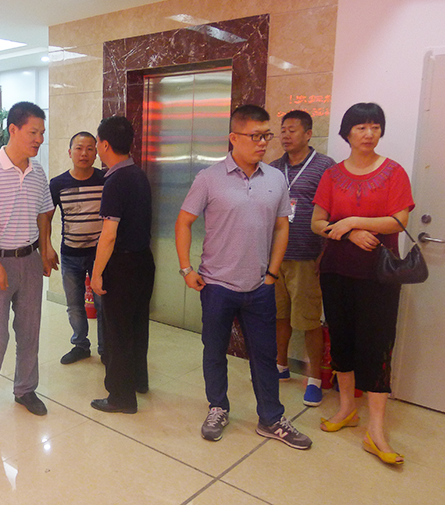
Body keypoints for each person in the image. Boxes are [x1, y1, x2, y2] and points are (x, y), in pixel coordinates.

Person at [174, 104, 312, 449]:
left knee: (265, 355)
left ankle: (271, 418)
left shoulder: (276, 178)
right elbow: (184, 222)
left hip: (259, 286)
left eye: (267, 135)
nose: (263, 143)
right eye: (255, 136)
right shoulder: (209, 178)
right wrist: (186, 268)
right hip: (217, 285)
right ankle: (217, 407)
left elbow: (282, 226)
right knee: (214, 350)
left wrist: (272, 273)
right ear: (234, 138)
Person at [311, 102, 413, 465]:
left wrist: (354, 221)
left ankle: (377, 430)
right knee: (342, 340)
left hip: (379, 276)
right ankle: (346, 409)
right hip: (337, 271)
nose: (369, 134)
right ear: (347, 133)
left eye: (375, 127)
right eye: (361, 127)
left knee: (377, 345)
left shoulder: (393, 172)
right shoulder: (332, 175)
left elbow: (399, 220)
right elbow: (317, 222)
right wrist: (349, 233)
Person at [0, 101, 57, 422]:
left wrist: (46, 248)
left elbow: (44, 214)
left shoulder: (37, 171)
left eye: (42, 133)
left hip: (30, 259)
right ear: (13, 130)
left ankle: (25, 389)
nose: (39, 139)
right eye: (33, 132)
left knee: (29, 330)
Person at [269, 110, 335, 406]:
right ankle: (280, 366)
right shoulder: (273, 168)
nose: (285, 135)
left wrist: (324, 253)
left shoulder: (325, 167)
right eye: (283, 130)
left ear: (308, 134)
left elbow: (334, 211)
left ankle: (314, 379)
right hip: (276, 256)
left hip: (307, 256)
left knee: (308, 321)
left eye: (292, 130)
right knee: (279, 315)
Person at [89, 116, 155, 414]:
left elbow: (109, 235)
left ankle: (120, 396)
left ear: (104, 144)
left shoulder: (115, 181)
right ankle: (138, 380)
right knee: (137, 325)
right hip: (143, 262)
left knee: (117, 332)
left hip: (122, 266)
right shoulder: (138, 175)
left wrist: (97, 273)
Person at [49, 131, 106, 365]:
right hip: (70, 254)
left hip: (100, 256)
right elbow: (45, 218)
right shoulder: (58, 184)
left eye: (90, 148)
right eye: (79, 148)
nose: (84, 153)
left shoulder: (106, 180)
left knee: (103, 306)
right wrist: (47, 247)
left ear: (96, 153)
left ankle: (106, 350)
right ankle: (81, 345)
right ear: (70, 152)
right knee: (74, 306)